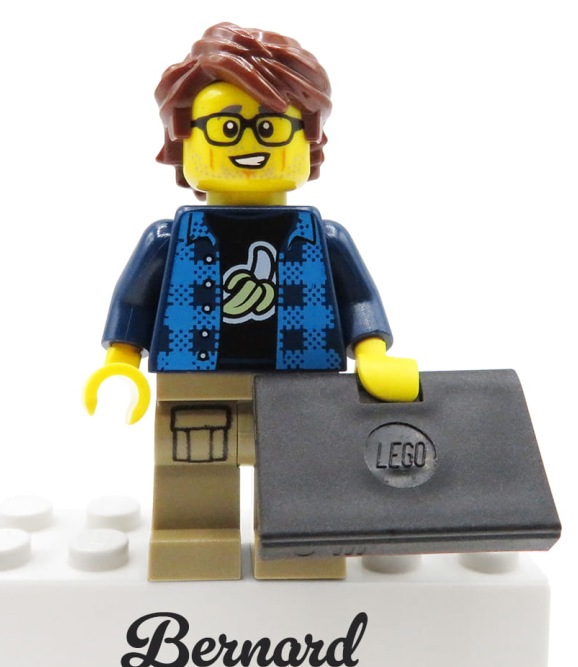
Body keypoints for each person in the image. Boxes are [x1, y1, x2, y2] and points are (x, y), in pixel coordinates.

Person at [84, 22, 419, 581]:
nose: (249, 144)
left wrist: (373, 354)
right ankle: (194, 540)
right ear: (184, 140)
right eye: (226, 128)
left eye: (269, 127)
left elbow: (359, 300)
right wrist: (120, 363)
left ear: (307, 139)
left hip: (302, 383)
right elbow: (134, 303)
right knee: (193, 459)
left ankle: (302, 542)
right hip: (195, 377)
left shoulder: (324, 238)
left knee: (303, 467)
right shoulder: (169, 239)